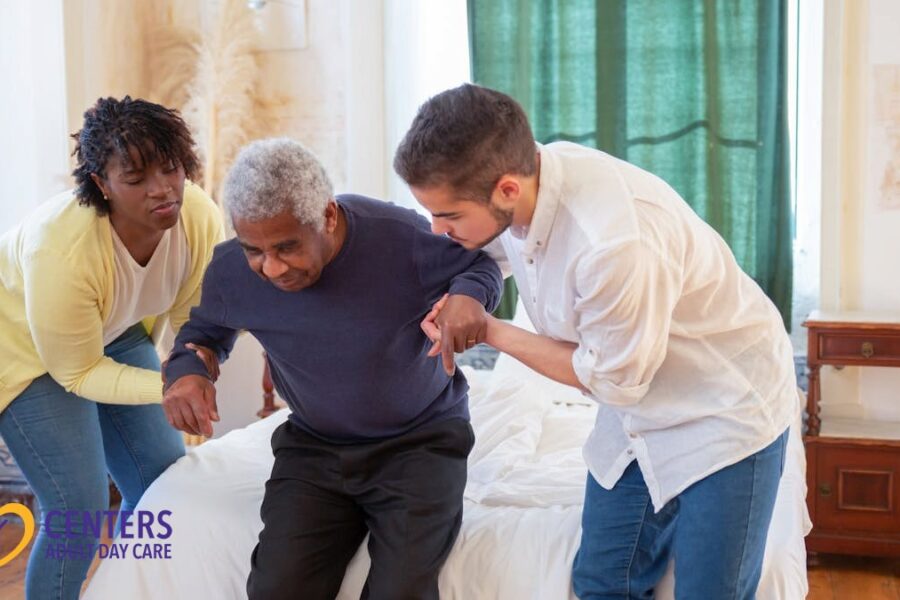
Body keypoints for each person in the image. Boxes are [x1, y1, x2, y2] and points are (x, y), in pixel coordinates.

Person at [394, 83, 797, 599]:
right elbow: (485, 255)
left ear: (507, 190)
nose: (436, 229)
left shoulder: (613, 244)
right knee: (603, 583)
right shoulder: (528, 178)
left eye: (448, 216)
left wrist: (492, 330)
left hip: (726, 408)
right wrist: (468, 296)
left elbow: (611, 380)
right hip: (638, 409)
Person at [160, 138, 502, 600]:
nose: (273, 268)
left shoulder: (397, 237)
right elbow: (203, 335)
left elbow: (480, 267)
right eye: (254, 250)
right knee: (278, 588)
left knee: (400, 591)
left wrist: (469, 298)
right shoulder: (231, 271)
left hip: (420, 444)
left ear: (327, 215)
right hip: (315, 448)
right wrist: (187, 373)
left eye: (286, 247)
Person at [0, 96, 224, 600]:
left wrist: (194, 372)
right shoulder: (61, 250)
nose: (162, 190)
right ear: (102, 184)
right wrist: (169, 385)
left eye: (171, 168)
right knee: (77, 508)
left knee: (162, 486)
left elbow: (195, 318)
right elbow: (77, 374)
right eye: (137, 178)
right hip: (21, 348)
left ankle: (124, 591)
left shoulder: (199, 218)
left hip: (112, 326)